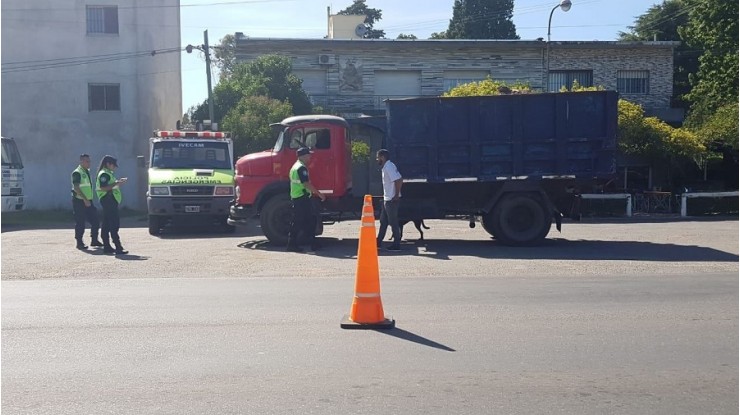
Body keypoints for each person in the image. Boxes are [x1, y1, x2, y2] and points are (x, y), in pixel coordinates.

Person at [286, 147, 326, 253]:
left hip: (299, 197)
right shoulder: (301, 168)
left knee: (309, 221)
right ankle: (292, 244)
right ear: (303, 156)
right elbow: (306, 184)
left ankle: (313, 243)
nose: (310, 157)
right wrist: (319, 194)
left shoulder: (296, 166)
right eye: (308, 155)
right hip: (301, 197)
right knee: (299, 221)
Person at [96, 155, 128, 255]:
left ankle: (107, 247)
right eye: (113, 165)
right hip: (108, 200)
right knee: (114, 224)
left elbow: (110, 186)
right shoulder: (104, 174)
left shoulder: (108, 173)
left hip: (109, 200)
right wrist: (116, 183)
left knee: (106, 224)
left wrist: (118, 183)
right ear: (108, 164)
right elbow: (103, 187)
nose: (115, 167)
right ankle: (118, 246)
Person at [71, 154, 102, 250]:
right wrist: (85, 199)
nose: (89, 163)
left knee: (95, 220)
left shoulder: (86, 172)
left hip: (88, 200)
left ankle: (94, 240)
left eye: (89, 161)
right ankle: (79, 242)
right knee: (80, 222)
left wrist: (88, 200)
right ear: (81, 162)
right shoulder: (77, 172)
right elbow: (76, 188)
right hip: (79, 201)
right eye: (87, 161)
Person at [375, 149, 403, 251]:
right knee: (383, 221)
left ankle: (397, 244)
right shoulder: (386, 167)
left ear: (382, 157)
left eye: (378, 157)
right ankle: (378, 242)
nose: (377, 159)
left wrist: (396, 195)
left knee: (393, 222)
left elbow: (399, 180)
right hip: (387, 198)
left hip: (391, 199)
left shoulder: (389, 167)